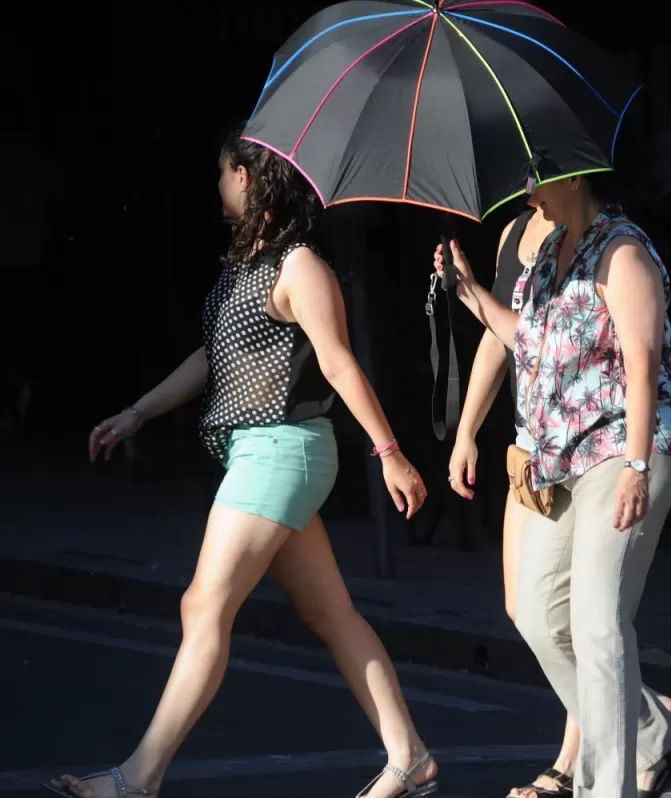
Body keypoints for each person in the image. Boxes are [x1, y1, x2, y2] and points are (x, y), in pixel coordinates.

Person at [49, 129, 438, 798]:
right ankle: (412, 758)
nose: (217, 185)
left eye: (223, 173)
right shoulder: (242, 268)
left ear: (249, 179)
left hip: (284, 451)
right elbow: (213, 359)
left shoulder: (301, 268)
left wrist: (390, 453)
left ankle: (136, 779)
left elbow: (340, 364)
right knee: (332, 615)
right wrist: (137, 413)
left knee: (204, 605)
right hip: (254, 455)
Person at [434, 175, 671, 798]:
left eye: (534, 182)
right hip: (564, 461)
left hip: (631, 448)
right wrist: (467, 290)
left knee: (599, 621)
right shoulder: (552, 255)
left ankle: (607, 788)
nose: (528, 198)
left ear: (572, 176)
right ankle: (655, 733)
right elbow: (526, 341)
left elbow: (643, 362)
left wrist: (635, 467)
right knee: (537, 613)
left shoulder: (624, 252)